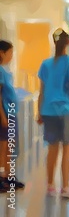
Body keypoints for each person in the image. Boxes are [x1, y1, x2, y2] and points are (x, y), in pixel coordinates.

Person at [37, 29, 69, 198]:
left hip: (48, 111)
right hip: (66, 111)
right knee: (67, 150)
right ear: (68, 43)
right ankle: (65, 187)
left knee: (52, 149)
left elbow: (42, 91)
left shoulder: (45, 64)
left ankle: (50, 186)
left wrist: (39, 112)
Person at [0, 40, 25, 193]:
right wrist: (2, 117)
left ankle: (9, 177)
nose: (11, 56)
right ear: (2, 53)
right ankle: (3, 177)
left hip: (10, 113)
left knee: (9, 147)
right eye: (10, 53)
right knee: (4, 147)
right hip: (5, 114)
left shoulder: (5, 70)